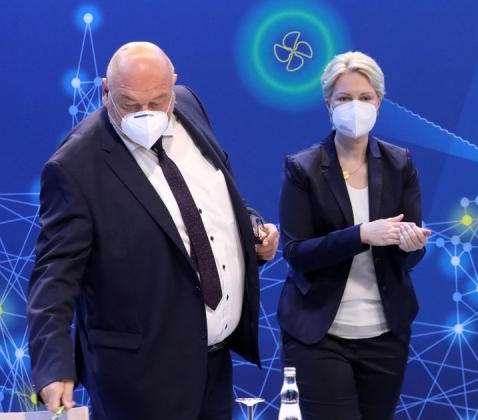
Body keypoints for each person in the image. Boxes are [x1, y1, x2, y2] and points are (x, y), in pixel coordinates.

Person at [28, 42, 279, 419]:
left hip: (214, 363)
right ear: (106, 92)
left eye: (158, 101)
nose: (145, 114)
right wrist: (53, 366)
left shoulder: (189, 105)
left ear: (174, 86)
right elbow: (54, 274)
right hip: (138, 380)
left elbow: (210, 200)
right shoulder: (74, 167)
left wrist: (252, 229)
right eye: (129, 104)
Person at [278, 51, 429, 420]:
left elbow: (409, 253)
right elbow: (296, 252)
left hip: (385, 334)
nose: (355, 106)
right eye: (344, 98)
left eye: (364, 97)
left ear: (379, 101)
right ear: (328, 104)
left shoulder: (400, 163)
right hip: (320, 335)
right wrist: (361, 234)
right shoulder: (304, 168)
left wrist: (411, 245)